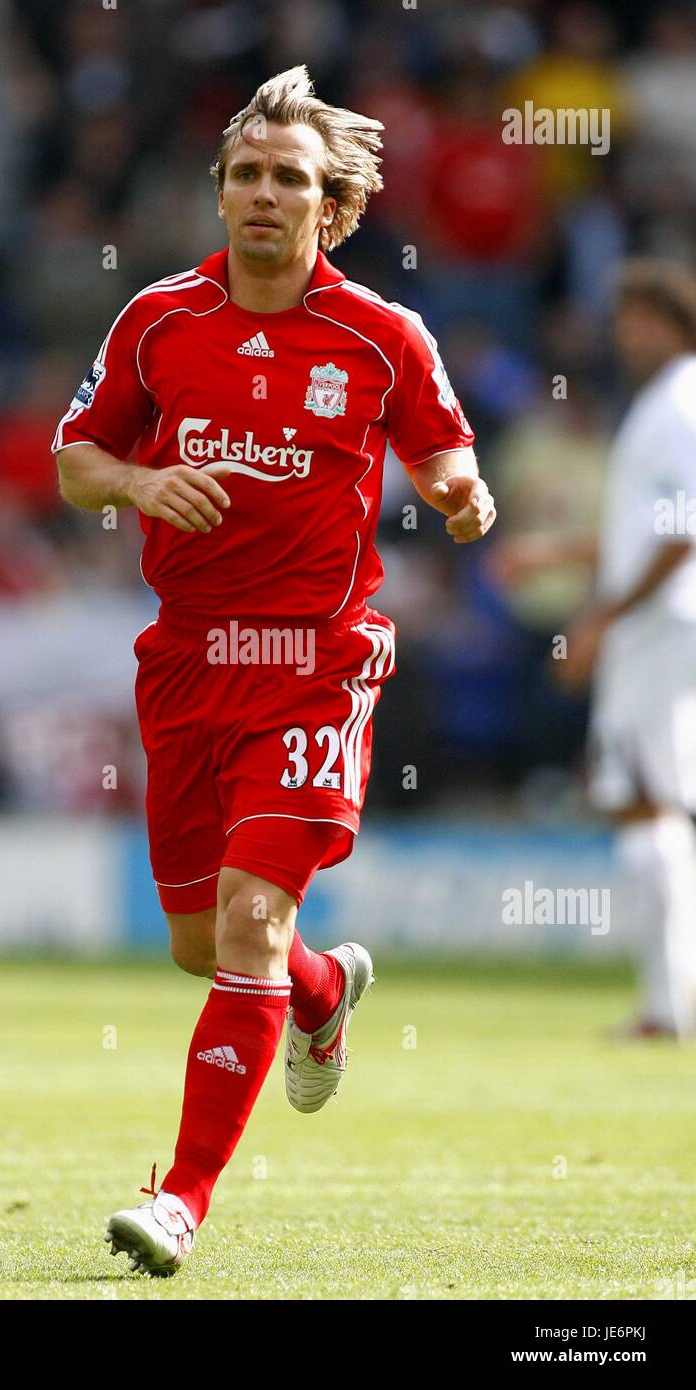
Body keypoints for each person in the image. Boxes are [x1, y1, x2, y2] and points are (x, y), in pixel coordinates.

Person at [52, 66, 495, 1276]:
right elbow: (75, 460)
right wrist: (139, 480)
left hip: (314, 661)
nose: (259, 193)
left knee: (249, 921)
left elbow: (451, 459)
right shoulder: (155, 319)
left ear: (330, 206)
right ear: (219, 192)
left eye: (286, 178)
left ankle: (180, 1197)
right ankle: (318, 993)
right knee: (206, 946)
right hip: (188, 661)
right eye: (242, 173)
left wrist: (458, 496)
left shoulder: (381, 335)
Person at [495, 259, 696, 1041]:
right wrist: (552, 558)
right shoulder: (662, 404)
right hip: (657, 622)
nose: (625, 334)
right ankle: (666, 1000)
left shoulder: (677, 404)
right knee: (648, 802)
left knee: (645, 803)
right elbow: (644, 532)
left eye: (638, 319)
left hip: (659, 627)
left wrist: (601, 619)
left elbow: (682, 534)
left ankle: (666, 1007)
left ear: (672, 321)